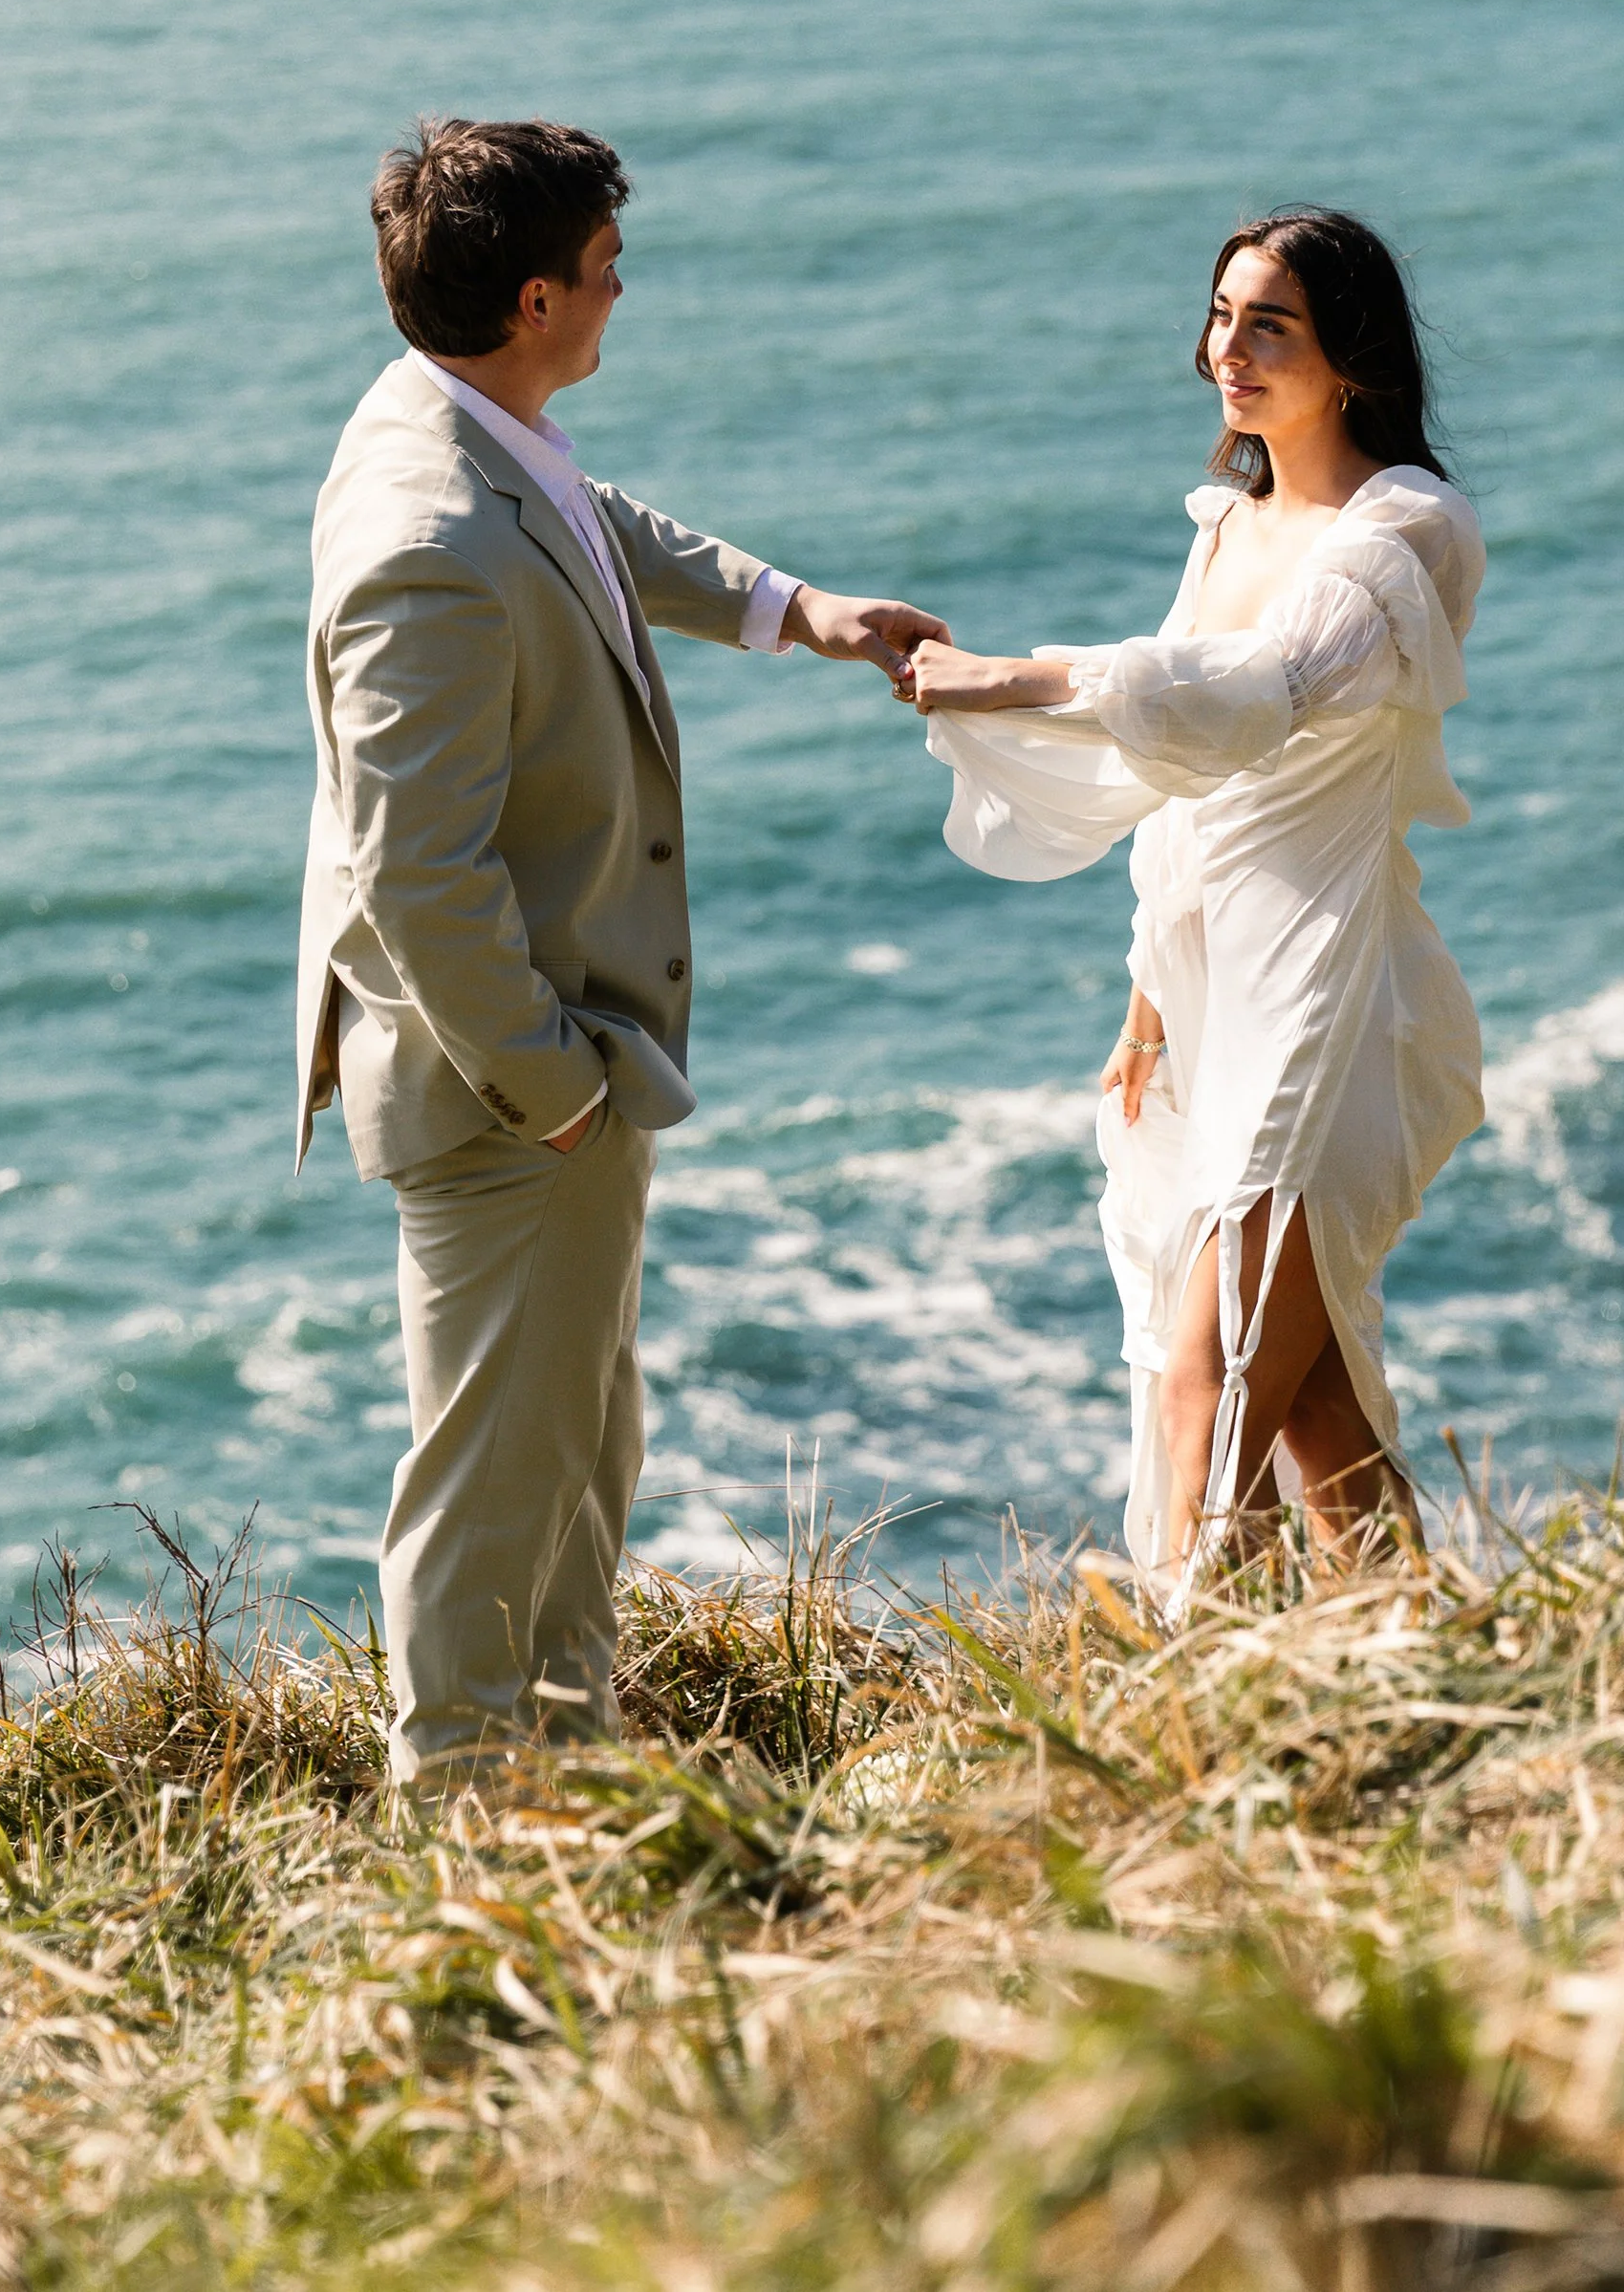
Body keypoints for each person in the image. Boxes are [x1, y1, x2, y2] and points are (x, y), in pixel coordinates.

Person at [295, 117, 945, 1787]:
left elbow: (591, 529)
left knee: (580, 1447)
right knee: (492, 1479)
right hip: (512, 1085)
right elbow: (418, 872)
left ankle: (570, 1787)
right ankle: (458, 1830)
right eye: (602, 272)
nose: (617, 294)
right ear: (531, 298)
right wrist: (554, 1089)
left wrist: (799, 610)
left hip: (566, 1059)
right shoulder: (426, 539)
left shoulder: (469, 428)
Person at [901, 208, 1483, 1599]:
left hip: (1326, 995)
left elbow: (1253, 698)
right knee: (1306, 1402)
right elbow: (1182, 792)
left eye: (1268, 322)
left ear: (1351, 354)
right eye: (1221, 316)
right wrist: (1148, 997)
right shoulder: (1230, 524)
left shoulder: (1403, 531)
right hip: (1212, 1001)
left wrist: (1008, 675)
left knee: (1202, 1379)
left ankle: (1181, 1684)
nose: (1227, 348)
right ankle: (1415, 1651)